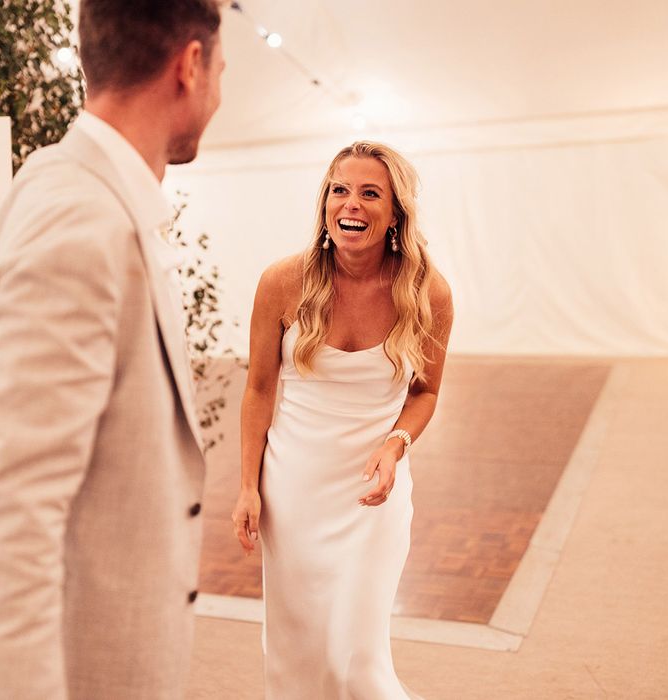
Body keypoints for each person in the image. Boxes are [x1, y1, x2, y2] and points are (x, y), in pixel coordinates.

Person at [0, 2, 225, 699]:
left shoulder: (74, 188)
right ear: (189, 65)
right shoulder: (80, 219)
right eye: (223, 68)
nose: (222, 90)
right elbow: (11, 510)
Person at [232, 141, 454, 699]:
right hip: (294, 492)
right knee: (297, 654)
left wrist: (395, 443)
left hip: (372, 497)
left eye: (370, 192)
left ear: (396, 212)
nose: (350, 204)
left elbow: (426, 393)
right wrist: (246, 487)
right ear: (325, 202)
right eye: (339, 189)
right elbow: (259, 390)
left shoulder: (428, 291)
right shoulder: (282, 282)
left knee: (353, 656)